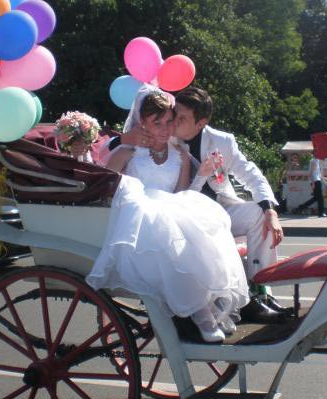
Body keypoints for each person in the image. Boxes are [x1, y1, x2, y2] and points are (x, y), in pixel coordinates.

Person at [89, 85, 249, 343]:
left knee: (201, 233)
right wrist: (123, 142)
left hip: (172, 212)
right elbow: (101, 181)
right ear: (143, 122)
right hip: (139, 216)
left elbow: (182, 194)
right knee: (164, 230)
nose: (165, 129)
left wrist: (203, 174)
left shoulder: (180, 156)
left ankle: (207, 304)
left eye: (169, 122)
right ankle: (202, 315)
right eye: (157, 122)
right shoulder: (128, 153)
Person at [173, 86, 290, 323]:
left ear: (201, 122)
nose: (174, 121)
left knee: (260, 216)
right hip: (183, 216)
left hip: (218, 207)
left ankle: (262, 290)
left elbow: (251, 174)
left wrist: (270, 210)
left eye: (182, 117)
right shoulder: (165, 139)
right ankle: (244, 300)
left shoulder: (222, 141)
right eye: (175, 113)